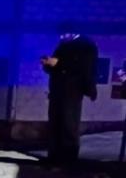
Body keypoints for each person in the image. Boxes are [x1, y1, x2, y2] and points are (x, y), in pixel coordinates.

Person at [41, 30, 98, 164]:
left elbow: (84, 68)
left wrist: (58, 63)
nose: (62, 36)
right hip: (57, 90)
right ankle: (54, 157)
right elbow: (57, 66)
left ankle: (68, 160)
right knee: (55, 123)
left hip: (73, 91)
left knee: (69, 125)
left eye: (65, 33)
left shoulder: (86, 45)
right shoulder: (63, 45)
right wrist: (47, 64)